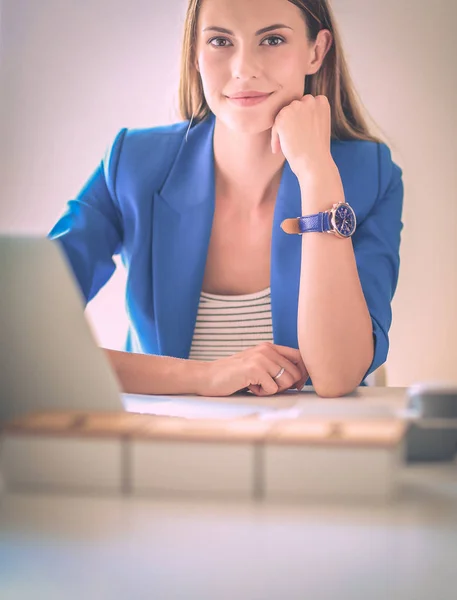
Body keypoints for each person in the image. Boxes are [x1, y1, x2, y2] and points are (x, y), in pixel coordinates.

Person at [48, 0, 404, 398]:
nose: (243, 69)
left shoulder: (370, 173)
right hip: (165, 449)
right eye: (220, 40)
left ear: (316, 51)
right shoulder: (131, 163)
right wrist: (204, 376)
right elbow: (24, 338)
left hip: (309, 451)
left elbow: (338, 375)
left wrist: (317, 173)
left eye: (272, 39)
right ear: (195, 56)